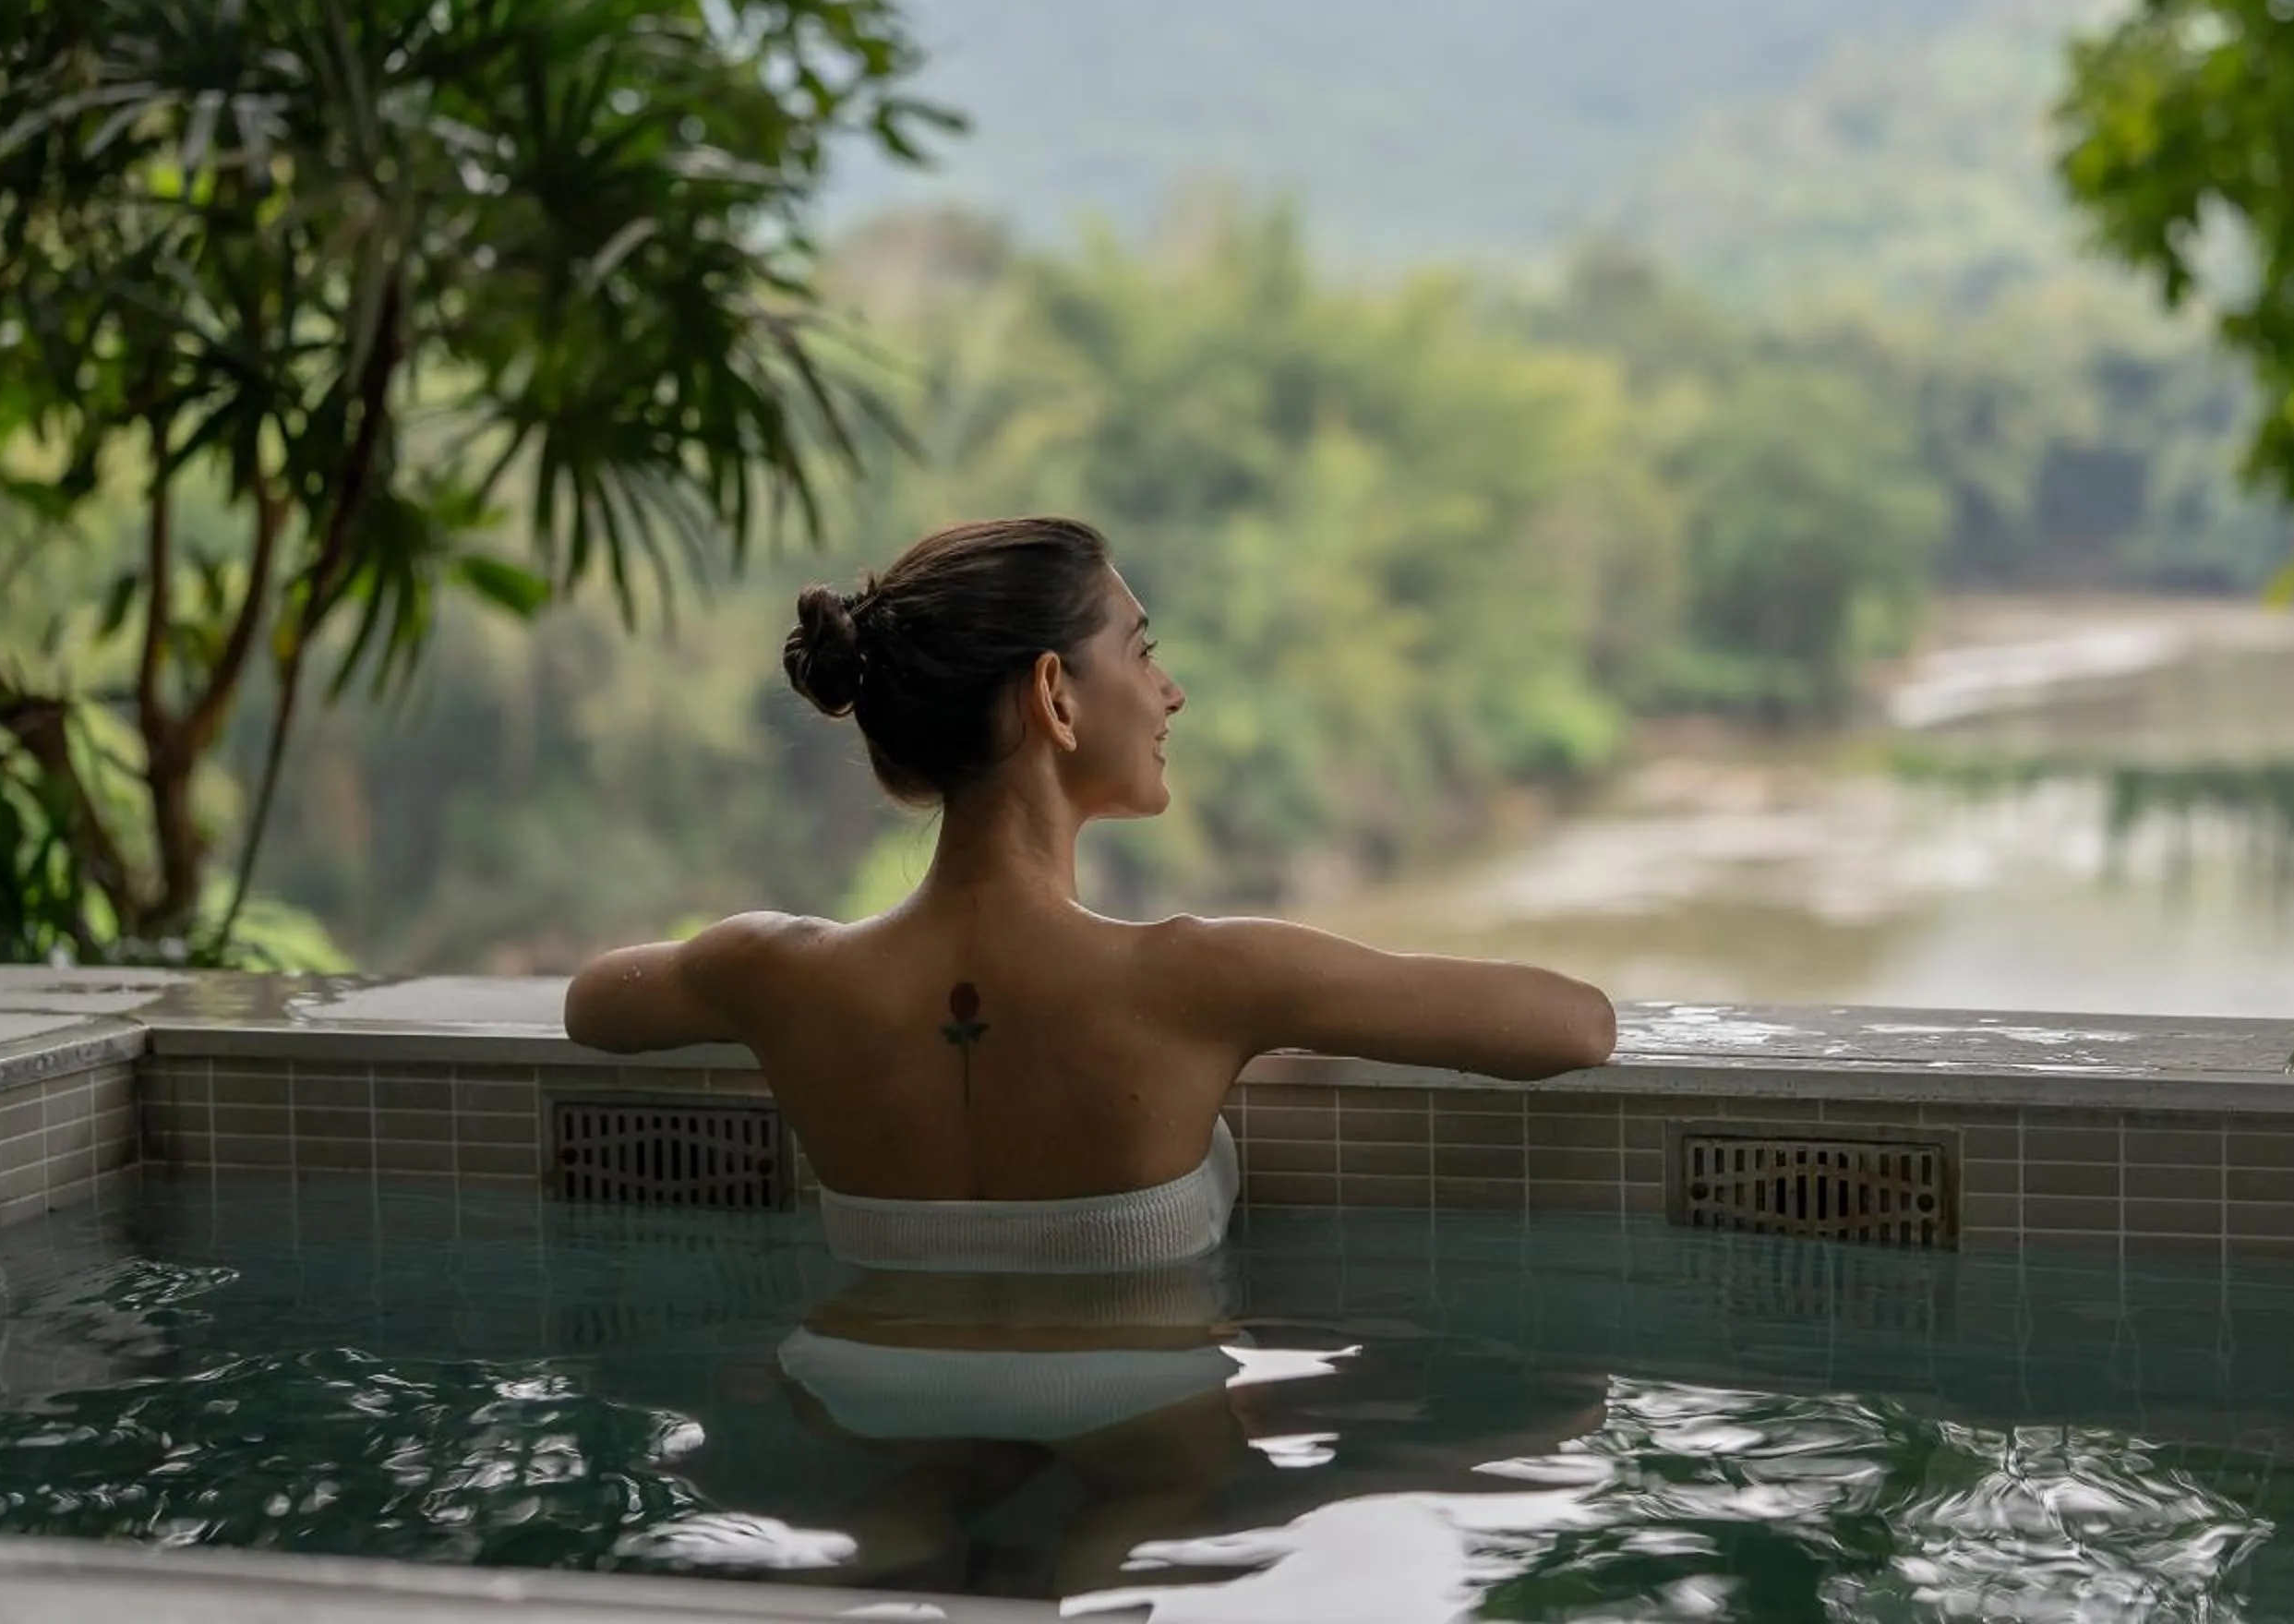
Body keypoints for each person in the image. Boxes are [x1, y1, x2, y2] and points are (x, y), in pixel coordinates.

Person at [562, 514, 1615, 1272]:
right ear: (1053, 696)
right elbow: (1576, 1026)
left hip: (862, 1435)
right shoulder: (1207, 978)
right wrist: (1297, 996)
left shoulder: (773, 972)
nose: (1170, 690)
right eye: (1141, 651)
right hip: (1144, 1463)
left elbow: (593, 1003)